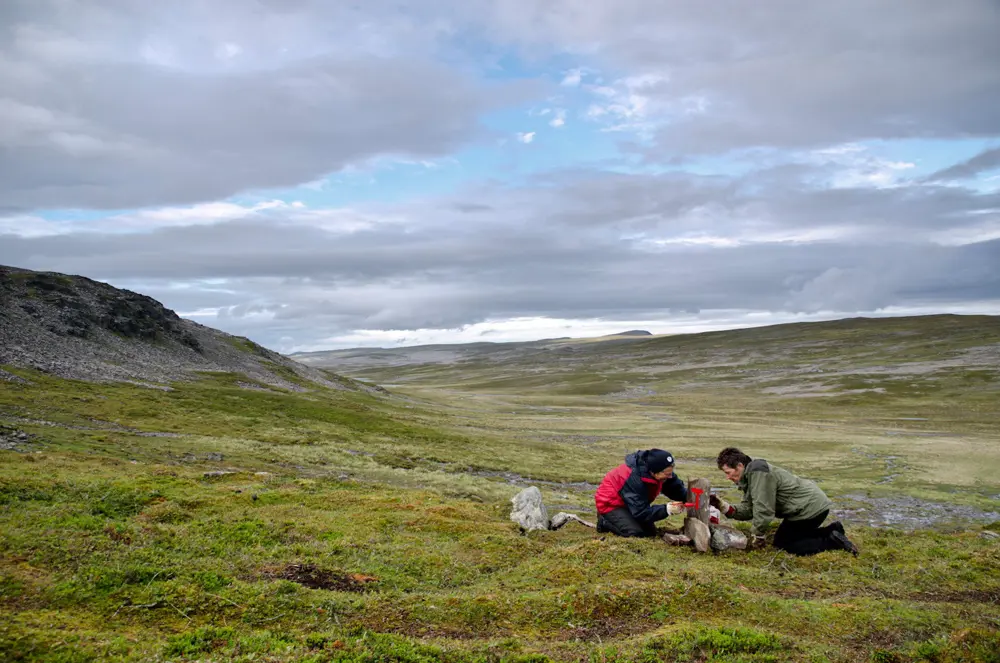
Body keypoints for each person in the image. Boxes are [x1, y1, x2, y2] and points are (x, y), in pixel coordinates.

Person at [711, 447, 859, 556]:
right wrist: (724, 507)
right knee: (791, 537)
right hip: (807, 507)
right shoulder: (752, 475)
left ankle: (832, 542)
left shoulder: (758, 473)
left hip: (808, 509)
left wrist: (758, 535)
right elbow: (749, 509)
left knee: (786, 544)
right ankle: (833, 530)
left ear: (739, 466)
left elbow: (763, 509)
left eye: (728, 473)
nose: (728, 478)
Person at [595, 449, 688, 537]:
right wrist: (667, 509)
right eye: (667, 474)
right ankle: (604, 522)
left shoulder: (662, 473)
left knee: (650, 532)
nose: (670, 476)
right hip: (611, 504)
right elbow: (641, 512)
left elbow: (674, 488)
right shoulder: (633, 478)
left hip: (631, 503)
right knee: (634, 532)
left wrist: (687, 497)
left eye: (671, 473)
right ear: (653, 472)